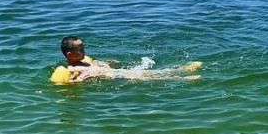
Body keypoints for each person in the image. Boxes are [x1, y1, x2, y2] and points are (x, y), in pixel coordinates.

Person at [52, 36, 203, 83]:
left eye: (83, 48)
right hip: (116, 77)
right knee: (148, 76)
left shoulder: (85, 60)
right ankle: (183, 77)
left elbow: (94, 63)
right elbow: (72, 81)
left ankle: (182, 70)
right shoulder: (71, 69)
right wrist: (77, 81)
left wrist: (108, 62)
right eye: (80, 50)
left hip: (116, 72)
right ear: (70, 55)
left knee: (147, 73)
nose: (84, 51)